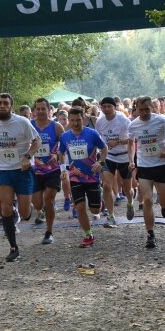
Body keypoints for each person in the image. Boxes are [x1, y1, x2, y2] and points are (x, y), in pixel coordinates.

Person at [0, 93, 41, 262]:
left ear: (11, 107)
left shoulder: (22, 122)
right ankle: (13, 248)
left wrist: (28, 157)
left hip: (23, 170)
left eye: (5, 103)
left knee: (25, 213)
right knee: (5, 207)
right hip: (3, 170)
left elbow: (37, 141)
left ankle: (25, 208)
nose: (1, 106)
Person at [127, 96, 165, 249]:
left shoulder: (160, 120)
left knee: (163, 201)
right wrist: (131, 160)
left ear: (151, 108)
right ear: (136, 109)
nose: (144, 113)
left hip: (161, 164)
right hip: (144, 165)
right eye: (141, 110)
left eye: (147, 109)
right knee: (148, 200)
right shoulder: (133, 125)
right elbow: (131, 143)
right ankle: (150, 234)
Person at [59, 106, 108, 247]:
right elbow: (61, 153)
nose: (75, 123)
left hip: (91, 176)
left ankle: (100, 203)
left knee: (95, 210)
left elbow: (104, 149)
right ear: (69, 120)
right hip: (75, 177)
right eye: (72, 120)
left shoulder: (92, 134)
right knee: (79, 207)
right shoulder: (65, 136)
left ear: (84, 119)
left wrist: (101, 162)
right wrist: (63, 169)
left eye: (78, 120)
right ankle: (88, 235)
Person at [30, 97, 64, 245]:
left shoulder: (56, 127)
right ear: (34, 111)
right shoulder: (29, 126)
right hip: (34, 170)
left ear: (49, 110)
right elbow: (23, 144)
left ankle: (49, 232)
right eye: (38, 108)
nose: (41, 111)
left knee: (49, 199)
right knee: (37, 204)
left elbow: (65, 146)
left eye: (43, 108)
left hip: (52, 169)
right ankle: (41, 210)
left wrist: (57, 155)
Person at [95, 96, 134, 226]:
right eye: (104, 106)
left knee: (128, 189)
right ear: (101, 107)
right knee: (106, 185)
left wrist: (117, 142)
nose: (106, 109)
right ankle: (111, 216)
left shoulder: (123, 120)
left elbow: (132, 140)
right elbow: (98, 138)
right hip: (109, 156)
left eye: (109, 106)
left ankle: (130, 202)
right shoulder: (100, 121)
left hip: (123, 156)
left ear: (114, 107)